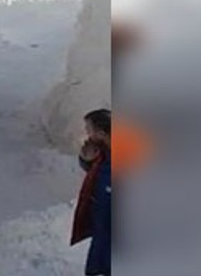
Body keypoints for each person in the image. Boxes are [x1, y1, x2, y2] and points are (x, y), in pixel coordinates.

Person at [72, 109, 111, 276]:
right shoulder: (101, 149)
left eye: (89, 130)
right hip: (101, 218)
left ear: (101, 133)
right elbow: (94, 170)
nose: (87, 134)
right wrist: (86, 159)